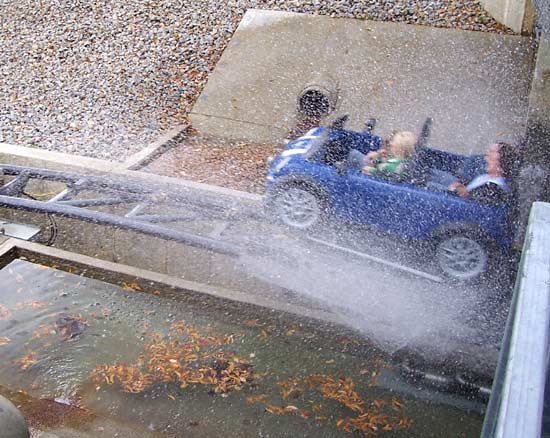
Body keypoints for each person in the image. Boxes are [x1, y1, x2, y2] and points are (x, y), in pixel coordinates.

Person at [429, 142, 520, 205]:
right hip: (457, 188)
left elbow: (470, 198)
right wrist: (460, 185)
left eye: (491, 154)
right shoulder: (487, 177)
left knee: (429, 183)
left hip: (454, 199)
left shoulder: (493, 188)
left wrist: (458, 189)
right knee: (434, 173)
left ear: (501, 164)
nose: (486, 157)